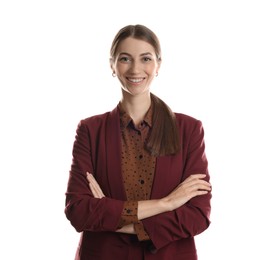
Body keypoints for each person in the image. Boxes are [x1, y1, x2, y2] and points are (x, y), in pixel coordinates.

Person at [65, 24, 212, 260]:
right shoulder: (90, 130)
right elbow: (78, 211)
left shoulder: (189, 130)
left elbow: (197, 215)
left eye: (145, 58)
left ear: (158, 65)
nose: (135, 69)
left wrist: (117, 218)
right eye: (125, 59)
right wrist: (167, 203)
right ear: (112, 65)